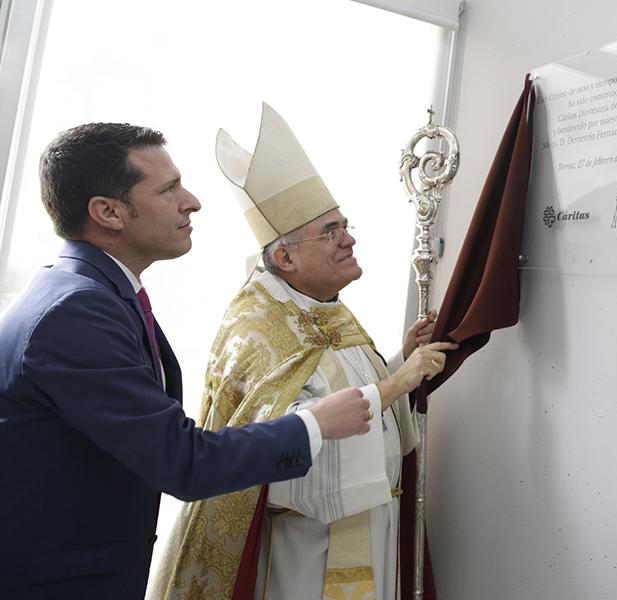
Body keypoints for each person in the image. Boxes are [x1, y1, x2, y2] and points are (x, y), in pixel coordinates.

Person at [0, 122, 376, 599]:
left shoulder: (89, 291)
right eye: (169, 189)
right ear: (109, 212)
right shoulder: (77, 310)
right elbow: (182, 461)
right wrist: (315, 425)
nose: (192, 202)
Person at [152, 104, 455, 600]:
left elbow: (354, 396)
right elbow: (289, 444)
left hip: (374, 528)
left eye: (345, 225)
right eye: (330, 232)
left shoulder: (326, 307)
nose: (349, 239)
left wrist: (401, 362)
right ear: (285, 256)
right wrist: (396, 383)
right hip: (305, 551)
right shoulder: (256, 328)